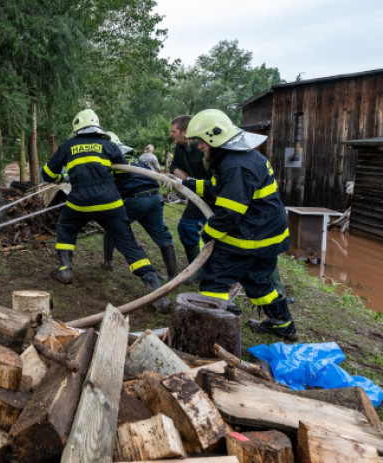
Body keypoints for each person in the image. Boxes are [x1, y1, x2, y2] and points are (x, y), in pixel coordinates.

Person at [181, 109, 297, 341]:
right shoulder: (236, 158)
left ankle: (212, 333)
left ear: (215, 138)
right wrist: (190, 184)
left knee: (215, 279)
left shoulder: (235, 165)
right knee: (257, 281)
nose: (200, 147)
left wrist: (208, 234)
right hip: (267, 233)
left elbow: (228, 214)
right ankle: (283, 326)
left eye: (201, 142)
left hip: (250, 235)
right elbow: (218, 189)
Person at [41, 109, 169, 312]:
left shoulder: (67, 146)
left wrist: (63, 177)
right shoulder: (110, 145)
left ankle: (65, 270)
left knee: (66, 226)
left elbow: (47, 174)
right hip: (110, 203)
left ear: (77, 128)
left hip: (79, 203)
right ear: (97, 126)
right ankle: (155, 289)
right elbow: (124, 174)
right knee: (128, 243)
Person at [103, 132, 178, 299]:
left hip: (135, 200)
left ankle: (107, 263)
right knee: (162, 234)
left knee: (111, 226)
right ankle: (173, 274)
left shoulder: (113, 162)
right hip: (154, 197)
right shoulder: (138, 160)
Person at [169, 115, 210, 272]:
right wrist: (181, 175)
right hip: (196, 195)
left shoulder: (203, 149)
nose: (171, 135)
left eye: (174, 131)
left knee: (215, 233)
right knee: (185, 227)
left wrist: (190, 182)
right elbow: (173, 167)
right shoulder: (179, 149)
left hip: (213, 196)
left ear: (185, 132)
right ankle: (197, 270)